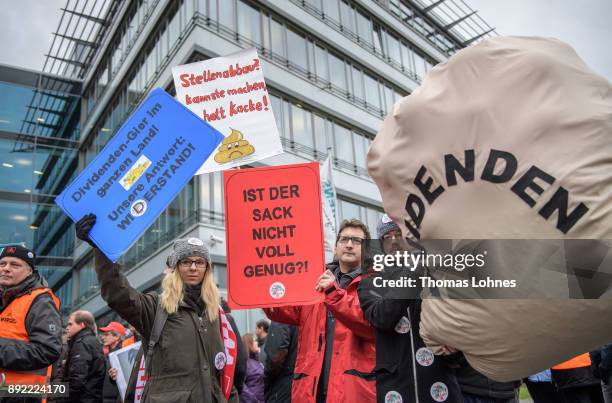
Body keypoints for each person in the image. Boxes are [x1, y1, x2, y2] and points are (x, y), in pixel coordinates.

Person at [76, 213, 238, 402]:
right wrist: (100, 247)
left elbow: (224, 377)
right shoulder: (156, 308)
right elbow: (117, 294)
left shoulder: (216, 315)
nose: (193, 267)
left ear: (207, 269)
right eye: (186, 262)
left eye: (199, 262)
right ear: (176, 268)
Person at [264, 218, 376, 403]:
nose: (349, 245)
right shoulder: (315, 282)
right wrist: (263, 293)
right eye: (344, 239)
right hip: (310, 393)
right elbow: (286, 310)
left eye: (357, 241)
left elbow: (369, 324)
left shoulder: (375, 283)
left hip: (352, 393)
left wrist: (333, 292)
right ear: (335, 247)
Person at [358, 215, 463, 403]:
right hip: (395, 386)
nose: (394, 242)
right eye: (386, 237)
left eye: (398, 234)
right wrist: (413, 269)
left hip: (440, 380)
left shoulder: (434, 274)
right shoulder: (369, 281)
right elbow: (382, 318)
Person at [0, 244, 62, 402]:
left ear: (29, 271)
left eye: (15, 265)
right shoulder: (5, 297)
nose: (6, 268)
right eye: (2, 263)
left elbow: (47, 349)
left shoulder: (40, 300)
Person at [60, 310, 105, 403]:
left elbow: (77, 380)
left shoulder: (82, 343)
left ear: (82, 325)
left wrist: (61, 399)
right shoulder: (92, 341)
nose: (67, 328)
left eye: (70, 324)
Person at [263, 321, 298, 403]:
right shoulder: (317, 312)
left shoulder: (282, 314)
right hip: (307, 385)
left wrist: (267, 379)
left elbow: (275, 357)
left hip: (284, 386)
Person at [240, 333, 264, 403]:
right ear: (248, 344)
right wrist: (254, 401)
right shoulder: (244, 363)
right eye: (254, 341)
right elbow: (241, 386)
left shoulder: (257, 361)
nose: (256, 342)